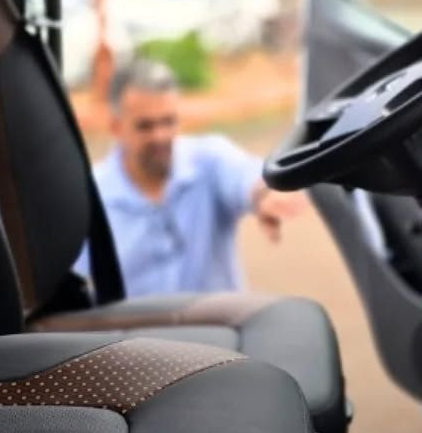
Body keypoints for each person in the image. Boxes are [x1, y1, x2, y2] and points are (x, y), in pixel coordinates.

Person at [76, 58, 304, 297]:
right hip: (135, 324)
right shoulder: (89, 199)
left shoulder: (209, 159)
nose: (160, 136)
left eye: (168, 121)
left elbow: (245, 176)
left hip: (219, 321)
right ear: (115, 126)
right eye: (145, 126)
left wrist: (263, 195)